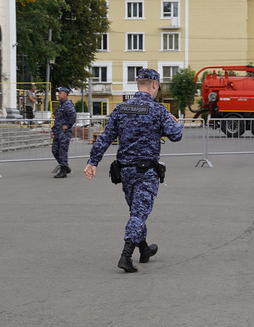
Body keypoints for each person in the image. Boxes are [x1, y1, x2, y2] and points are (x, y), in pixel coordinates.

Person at [84, 68, 183, 273]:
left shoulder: (121, 109)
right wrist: (176, 123)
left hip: (126, 172)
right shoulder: (158, 110)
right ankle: (126, 256)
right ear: (154, 85)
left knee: (137, 211)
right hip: (146, 172)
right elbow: (176, 135)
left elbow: (105, 137)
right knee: (139, 213)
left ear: (139, 84)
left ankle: (145, 250)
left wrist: (92, 162)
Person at [51, 86, 77, 178]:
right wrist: (53, 130)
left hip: (64, 132)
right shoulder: (61, 104)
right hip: (58, 132)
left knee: (62, 151)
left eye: (60, 93)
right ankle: (65, 166)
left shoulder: (68, 104)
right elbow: (57, 119)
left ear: (65, 94)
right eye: (58, 93)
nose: (58, 95)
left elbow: (73, 116)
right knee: (54, 150)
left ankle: (63, 171)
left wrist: (68, 126)